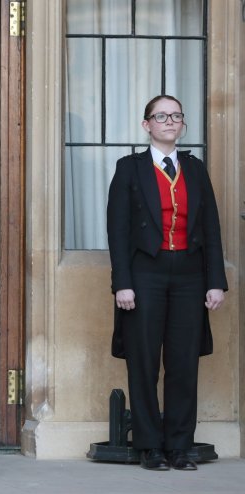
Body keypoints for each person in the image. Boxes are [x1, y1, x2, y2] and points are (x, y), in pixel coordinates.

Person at [107, 95, 226, 471]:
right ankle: (149, 446)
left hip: (190, 275)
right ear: (147, 125)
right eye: (161, 116)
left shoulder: (194, 168)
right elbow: (118, 230)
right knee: (143, 362)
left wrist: (215, 281)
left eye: (176, 116)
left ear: (182, 123)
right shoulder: (129, 168)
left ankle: (179, 445)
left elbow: (210, 227)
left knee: (183, 362)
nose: (169, 121)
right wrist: (122, 283)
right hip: (145, 274)